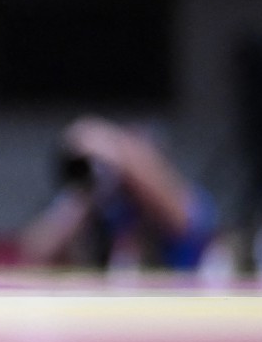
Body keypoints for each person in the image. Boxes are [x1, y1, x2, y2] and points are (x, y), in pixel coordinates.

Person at [19, 116, 218, 272]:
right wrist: (87, 186)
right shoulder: (102, 205)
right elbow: (37, 254)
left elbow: (181, 221)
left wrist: (117, 148)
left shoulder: (186, 202)